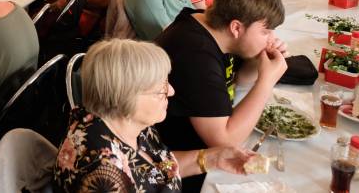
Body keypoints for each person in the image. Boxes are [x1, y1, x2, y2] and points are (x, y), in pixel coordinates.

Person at [54, 39, 254, 192]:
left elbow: (153, 169)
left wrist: (215, 158)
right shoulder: (103, 171)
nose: (172, 92)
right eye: (161, 89)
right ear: (125, 96)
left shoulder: (125, 121)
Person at [155, 0, 288, 192]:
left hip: (199, 153)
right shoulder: (195, 54)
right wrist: (267, 81)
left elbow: (236, 80)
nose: (271, 38)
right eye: (265, 31)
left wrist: (258, 63)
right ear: (236, 27)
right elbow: (226, 140)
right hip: (176, 170)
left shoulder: (211, 28)